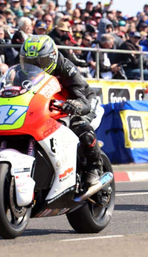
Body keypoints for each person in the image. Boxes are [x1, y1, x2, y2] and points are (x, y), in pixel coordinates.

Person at [19, 35, 103, 187]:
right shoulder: (22, 71)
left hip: (81, 101)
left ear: (52, 57)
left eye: (40, 62)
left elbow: (82, 95)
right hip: (50, 105)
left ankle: (94, 169)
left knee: (80, 126)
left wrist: (77, 105)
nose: (35, 67)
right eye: (30, 62)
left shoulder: (65, 67)